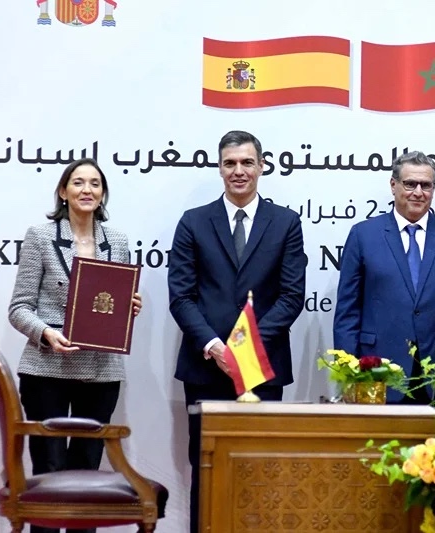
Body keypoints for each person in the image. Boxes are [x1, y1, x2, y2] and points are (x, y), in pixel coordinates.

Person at [168, 130, 307, 533]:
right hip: (205, 369)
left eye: (247, 162)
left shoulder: (286, 223)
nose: (239, 171)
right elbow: (181, 296)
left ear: (262, 166)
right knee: (206, 468)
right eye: (230, 163)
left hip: (262, 369)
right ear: (219, 168)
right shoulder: (193, 222)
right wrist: (215, 346)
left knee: (260, 470)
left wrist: (244, 349)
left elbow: (291, 296)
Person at [8, 158, 142, 533]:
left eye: (95, 183)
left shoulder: (117, 241)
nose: (87, 190)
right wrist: (45, 333)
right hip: (46, 369)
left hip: (101, 372)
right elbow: (19, 309)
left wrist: (129, 306)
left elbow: (111, 303)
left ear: (103, 194)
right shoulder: (40, 236)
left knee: (87, 474)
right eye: (78, 182)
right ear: (63, 191)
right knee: (49, 471)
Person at [333, 151, 435, 404]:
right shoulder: (363, 235)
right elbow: (348, 312)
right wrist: (347, 373)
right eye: (410, 184)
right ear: (393, 185)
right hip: (378, 374)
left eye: (426, 185)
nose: (418, 192)